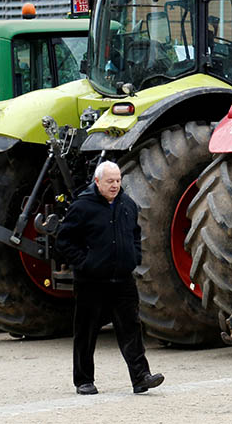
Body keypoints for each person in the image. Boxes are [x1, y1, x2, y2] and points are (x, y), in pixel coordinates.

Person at [55, 161, 164, 395]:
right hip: (91, 281)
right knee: (86, 331)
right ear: (97, 182)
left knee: (131, 329)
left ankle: (141, 378)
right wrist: (85, 263)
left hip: (123, 279)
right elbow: (64, 240)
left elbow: (135, 234)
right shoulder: (82, 206)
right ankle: (84, 380)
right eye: (110, 181)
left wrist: (133, 257)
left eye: (118, 180)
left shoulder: (127, 204)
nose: (115, 185)